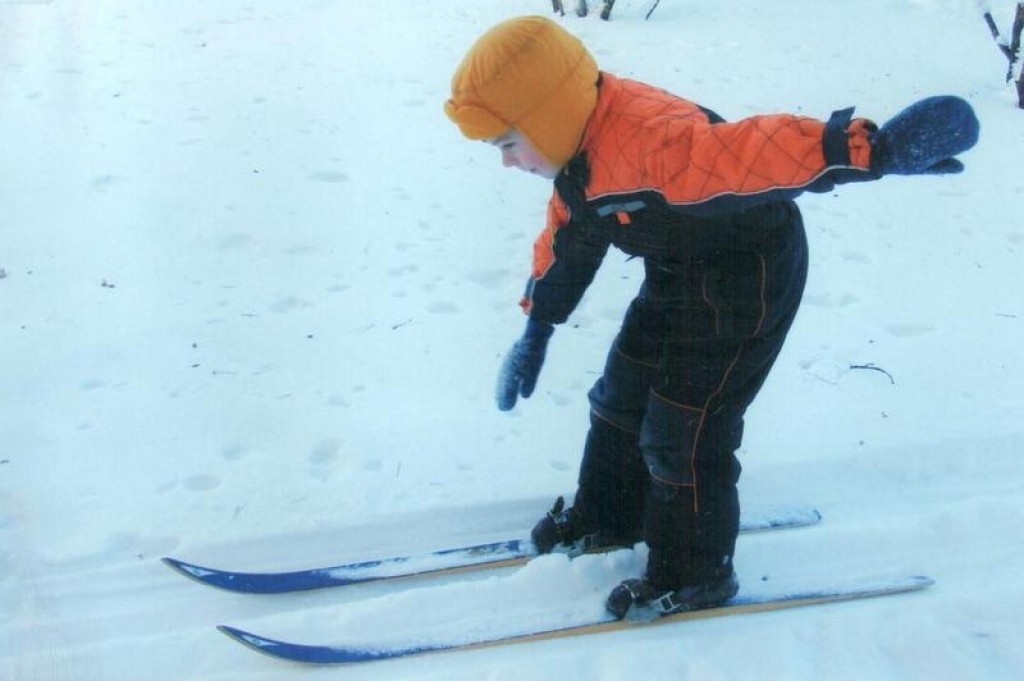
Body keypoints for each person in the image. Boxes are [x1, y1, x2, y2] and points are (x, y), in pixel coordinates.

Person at [443, 16, 978, 619]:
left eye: (508, 143)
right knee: (623, 392)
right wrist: (537, 327)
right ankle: (610, 515)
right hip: (678, 271)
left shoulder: (657, 146)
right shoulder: (581, 154)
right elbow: (571, 239)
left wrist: (869, 150)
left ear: (548, 116)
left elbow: (758, 152)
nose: (508, 163)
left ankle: (696, 573)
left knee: (686, 427)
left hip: (749, 279)